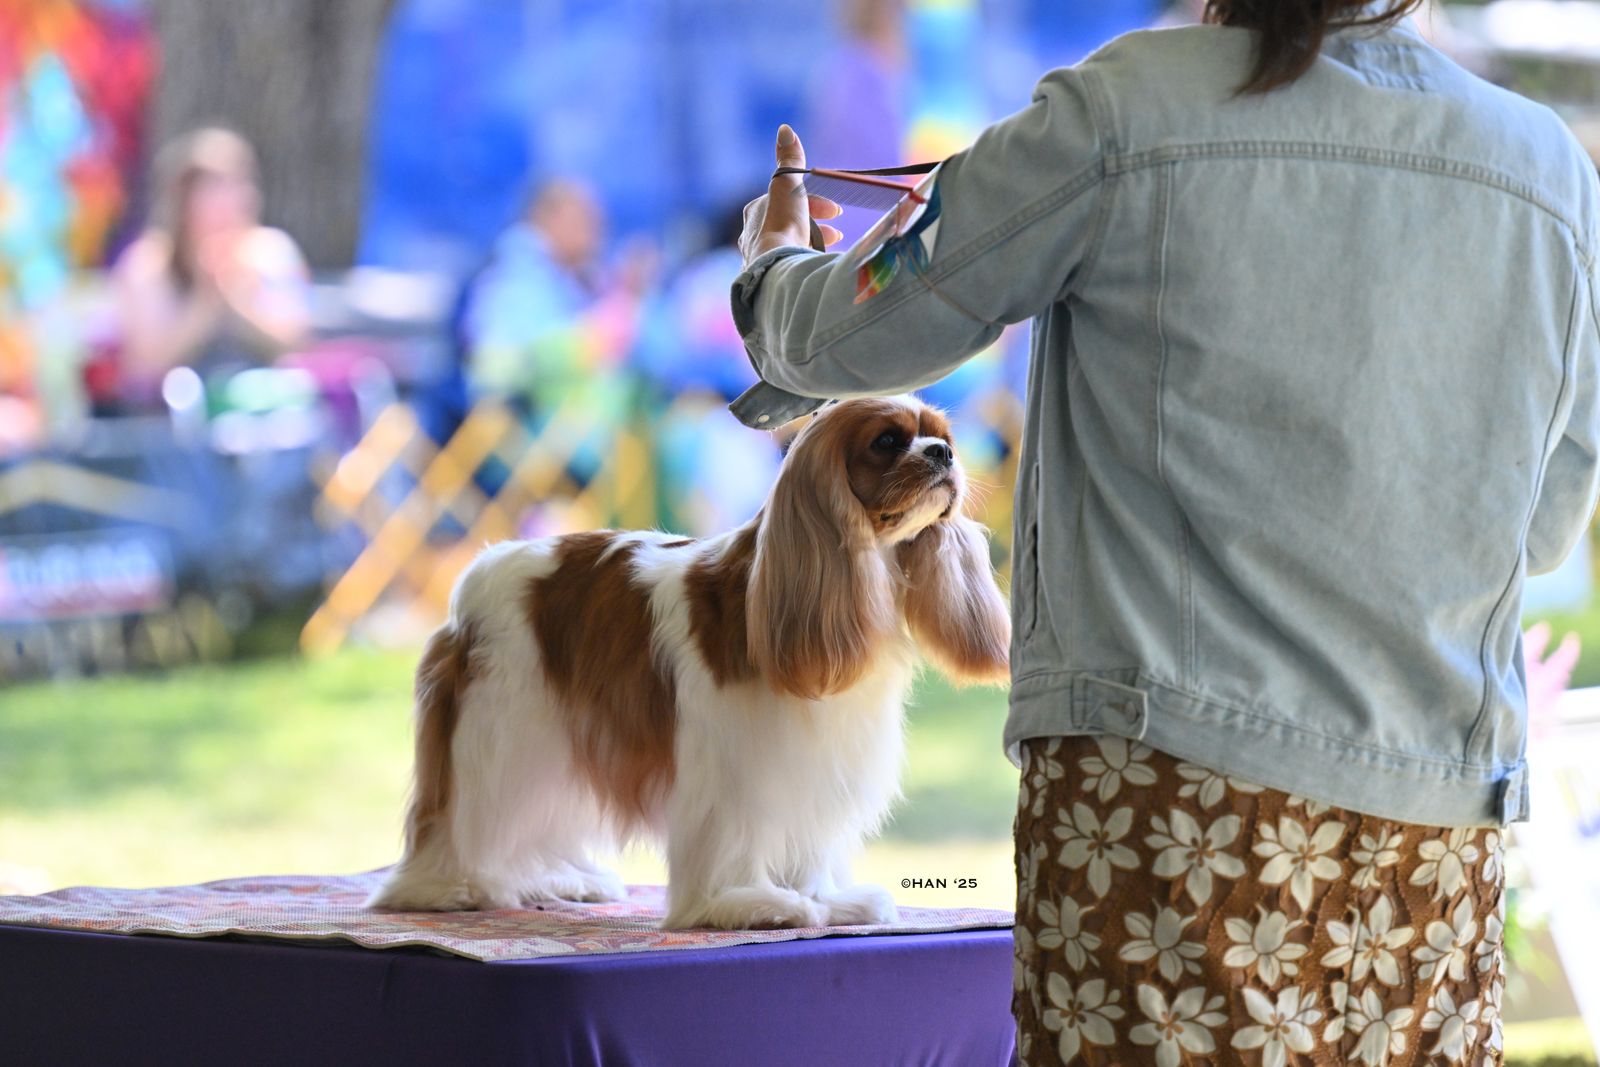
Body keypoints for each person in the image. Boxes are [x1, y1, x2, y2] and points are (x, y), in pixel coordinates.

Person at [733, 1, 1600, 1060]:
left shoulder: (1122, 109)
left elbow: (852, 324)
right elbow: (1544, 524)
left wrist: (772, 274)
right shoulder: (1548, 171)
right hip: (1434, 834)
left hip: (1163, 802)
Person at [111, 128, 310, 410]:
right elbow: (143, 370)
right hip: (170, 421)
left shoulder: (271, 253)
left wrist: (237, 303)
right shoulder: (149, 264)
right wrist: (204, 305)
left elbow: (295, 345)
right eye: (213, 191)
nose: (230, 203)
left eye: (237, 187)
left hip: (264, 412)